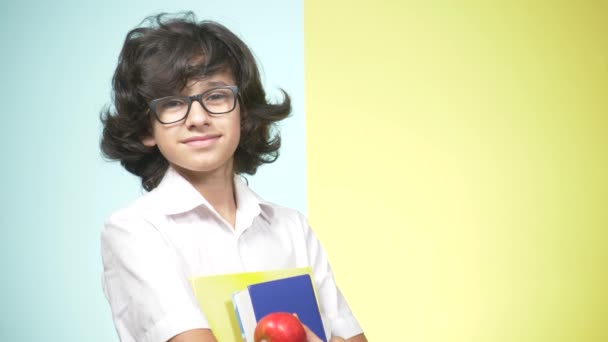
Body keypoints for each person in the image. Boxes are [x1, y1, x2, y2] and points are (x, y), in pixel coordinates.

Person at [100, 12, 367, 342]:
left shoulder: (290, 227)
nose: (198, 118)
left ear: (244, 109)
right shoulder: (136, 229)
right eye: (172, 103)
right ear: (146, 129)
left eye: (215, 95)